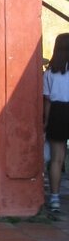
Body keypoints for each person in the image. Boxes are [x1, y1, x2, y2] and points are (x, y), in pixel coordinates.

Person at [44, 33, 69, 212]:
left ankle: (54, 199)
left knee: (56, 159)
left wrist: (45, 122)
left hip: (57, 113)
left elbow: (47, 101)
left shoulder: (49, 72)